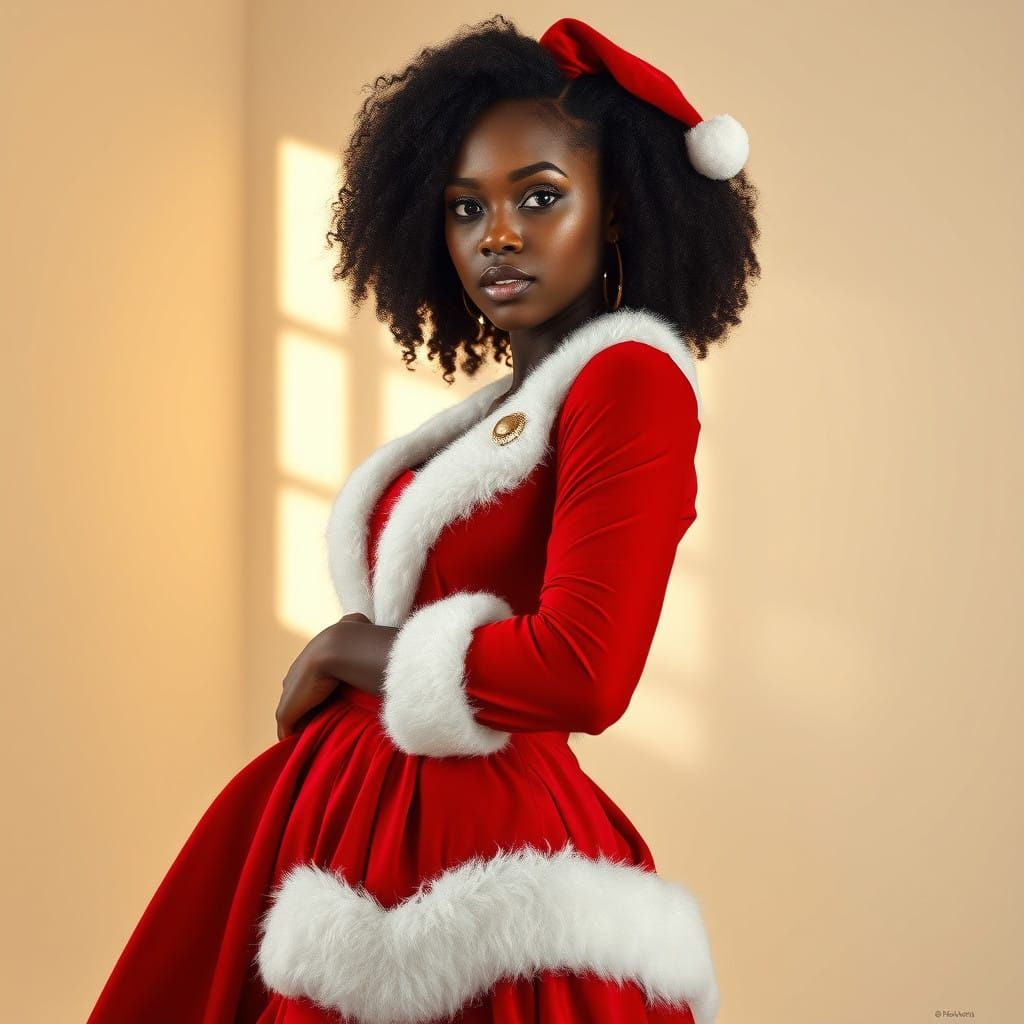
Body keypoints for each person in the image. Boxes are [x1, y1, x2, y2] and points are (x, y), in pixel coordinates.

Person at [87, 14, 761, 1024]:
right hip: (345, 821)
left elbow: (586, 670)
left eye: (540, 196)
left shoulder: (632, 383)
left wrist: (352, 647)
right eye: (463, 206)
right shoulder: (507, 405)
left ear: (616, 209)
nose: (496, 234)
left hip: (471, 872)